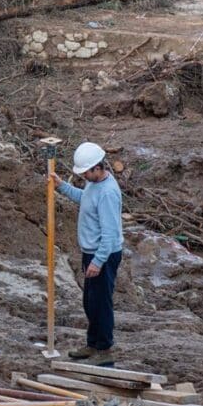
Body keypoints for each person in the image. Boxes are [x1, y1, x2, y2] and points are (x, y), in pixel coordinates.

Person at [50, 142, 124, 367]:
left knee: (101, 302)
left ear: (98, 168)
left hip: (105, 254)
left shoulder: (108, 193)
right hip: (92, 252)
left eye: (85, 172)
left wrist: (98, 261)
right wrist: (61, 186)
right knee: (90, 302)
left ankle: (104, 348)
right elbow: (85, 199)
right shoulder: (94, 185)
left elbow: (110, 234)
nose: (83, 176)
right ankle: (93, 343)